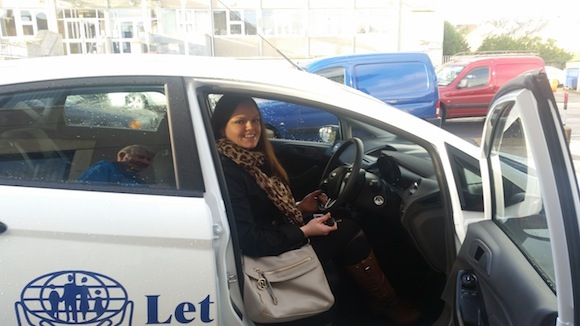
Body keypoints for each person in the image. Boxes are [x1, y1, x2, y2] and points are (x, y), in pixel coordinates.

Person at [211, 94, 421, 325]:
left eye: (255, 120)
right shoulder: (229, 171)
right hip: (262, 258)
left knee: (340, 217)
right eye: (240, 121)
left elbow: (263, 210)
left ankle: (370, 299)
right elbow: (250, 239)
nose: (250, 128)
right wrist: (304, 231)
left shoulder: (250, 160)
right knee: (348, 231)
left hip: (274, 235)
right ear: (222, 128)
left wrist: (300, 206)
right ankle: (387, 304)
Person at [78, 144, 155, 185]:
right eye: (140, 157)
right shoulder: (104, 168)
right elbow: (90, 193)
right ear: (122, 156)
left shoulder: (139, 180)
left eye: (148, 159)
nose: (145, 162)